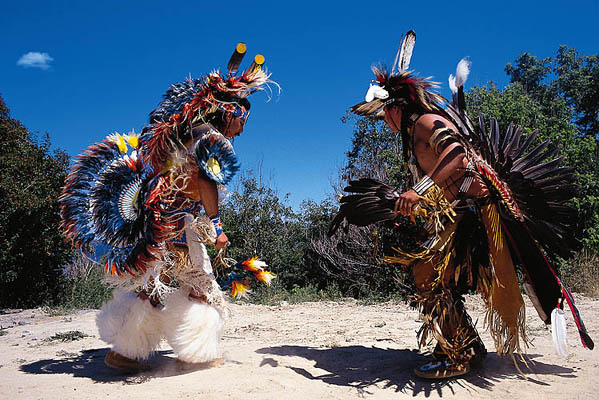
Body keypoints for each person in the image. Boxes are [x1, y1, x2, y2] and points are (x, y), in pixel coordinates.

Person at [330, 31, 593, 378]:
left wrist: (419, 189)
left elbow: (457, 153)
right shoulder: (413, 135)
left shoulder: (425, 122)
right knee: (428, 273)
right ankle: (464, 343)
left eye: (384, 114)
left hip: (482, 215)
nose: (385, 122)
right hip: (462, 214)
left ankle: (460, 352)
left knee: (428, 274)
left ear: (396, 106)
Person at [59, 43, 275, 372]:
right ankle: (195, 355)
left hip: (159, 219)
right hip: (179, 222)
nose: (243, 127)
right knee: (203, 284)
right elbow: (206, 182)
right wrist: (216, 227)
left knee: (154, 283)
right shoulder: (213, 140)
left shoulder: (189, 136)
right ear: (230, 114)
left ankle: (126, 352)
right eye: (242, 120)